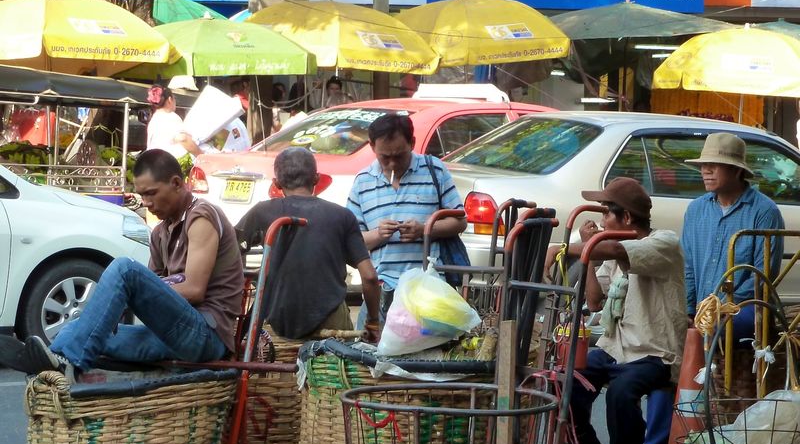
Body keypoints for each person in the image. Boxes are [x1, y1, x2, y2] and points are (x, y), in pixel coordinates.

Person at [0, 149, 244, 379]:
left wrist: (131, 295)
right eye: (141, 195)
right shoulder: (160, 233)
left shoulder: (201, 217)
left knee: (125, 269)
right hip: (170, 336)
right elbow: (154, 290)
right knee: (71, 330)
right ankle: (54, 364)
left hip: (206, 337)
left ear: (177, 184)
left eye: (151, 193)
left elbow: (194, 289)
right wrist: (115, 307)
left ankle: (68, 360)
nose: (145, 202)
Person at [566, 177, 687, 444]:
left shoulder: (663, 242)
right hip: (615, 348)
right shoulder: (609, 249)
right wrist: (589, 257)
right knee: (566, 380)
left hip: (655, 352)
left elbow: (619, 250)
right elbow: (594, 301)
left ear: (627, 217)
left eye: (607, 213)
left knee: (621, 392)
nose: (603, 221)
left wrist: (565, 248)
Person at [235, 147, 381, 342]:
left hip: (278, 321)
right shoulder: (341, 216)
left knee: (280, 362)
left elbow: (229, 250)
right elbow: (369, 276)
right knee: (334, 362)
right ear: (317, 178)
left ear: (276, 183)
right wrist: (373, 322)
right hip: (331, 320)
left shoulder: (261, 212)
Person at [347, 112, 466, 321]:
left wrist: (424, 230)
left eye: (399, 156)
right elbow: (352, 239)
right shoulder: (363, 181)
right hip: (381, 290)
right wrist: (378, 234)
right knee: (370, 341)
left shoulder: (434, 170)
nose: (392, 164)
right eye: (385, 157)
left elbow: (459, 221)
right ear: (372, 147)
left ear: (412, 143)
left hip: (428, 290)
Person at [682, 132, 784, 342]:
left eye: (714, 165)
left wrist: (721, 308)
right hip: (704, 309)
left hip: (745, 308)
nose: (705, 171)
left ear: (737, 170)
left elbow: (763, 277)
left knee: (717, 329)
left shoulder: (764, 211)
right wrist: (689, 309)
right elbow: (687, 267)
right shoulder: (696, 210)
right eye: (703, 165)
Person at [145, 84, 188, 159]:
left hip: (154, 160)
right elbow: (183, 138)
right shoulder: (171, 117)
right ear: (170, 100)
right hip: (169, 161)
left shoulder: (154, 118)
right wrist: (199, 153)